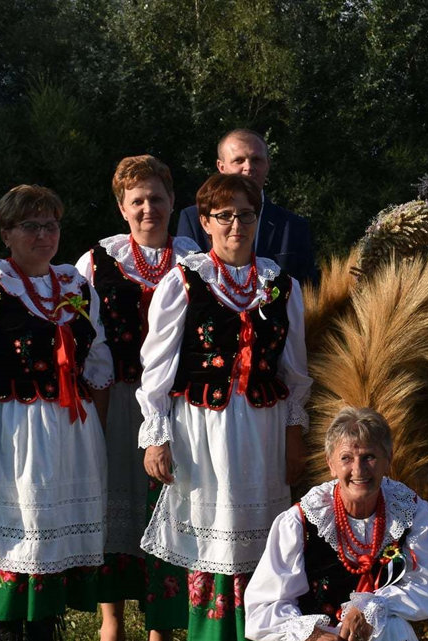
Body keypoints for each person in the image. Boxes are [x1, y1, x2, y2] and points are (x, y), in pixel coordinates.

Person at [0, 185, 113, 640]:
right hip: (7, 434)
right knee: (12, 546)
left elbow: (100, 366)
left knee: (52, 547)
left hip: (70, 437)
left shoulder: (75, 285)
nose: (43, 235)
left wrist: (96, 440)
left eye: (51, 225)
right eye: (30, 226)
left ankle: (46, 632)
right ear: (6, 233)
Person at [138, 172, 312, 641]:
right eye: (225, 216)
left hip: (263, 431)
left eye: (247, 214)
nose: (237, 224)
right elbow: (156, 369)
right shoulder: (183, 282)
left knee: (261, 536)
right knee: (207, 531)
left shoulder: (282, 286)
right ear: (207, 222)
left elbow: (294, 374)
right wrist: (155, 437)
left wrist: (295, 439)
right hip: (200, 430)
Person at [75, 155, 199, 641]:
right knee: (115, 505)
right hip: (116, 401)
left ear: (173, 202)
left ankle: (161, 629)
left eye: (158, 198)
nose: (149, 208)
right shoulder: (97, 262)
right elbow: (83, 340)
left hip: (177, 407)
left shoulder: (195, 260)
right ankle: (111, 624)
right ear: (122, 208)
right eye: (138, 201)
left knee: (167, 504)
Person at [244, 407, 428, 641]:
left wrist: (372, 607)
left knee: (391, 625)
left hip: (381, 631)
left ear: (388, 459)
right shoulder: (299, 521)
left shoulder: (410, 512)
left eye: (369, 457)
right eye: (346, 458)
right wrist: (315, 635)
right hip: (319, 637)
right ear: (330, 464)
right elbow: (263, 608)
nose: (358, 470)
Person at [177, 129, 318, 284]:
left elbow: (307, 290)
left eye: (256, 160)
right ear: (221, 167)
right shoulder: (194, 219)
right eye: (239, 160)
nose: (249, 167)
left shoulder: (293, 226)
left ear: (267, 165)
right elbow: (186, 281)